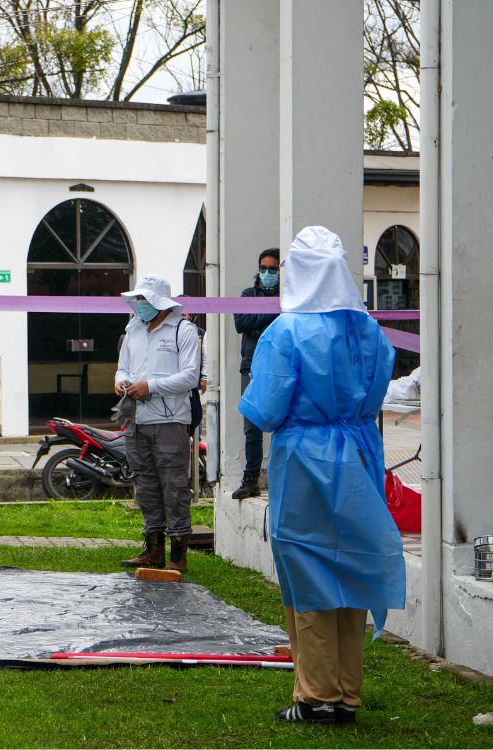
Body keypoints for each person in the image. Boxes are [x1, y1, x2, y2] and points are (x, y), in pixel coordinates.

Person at [239, 226, 404, 725]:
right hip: (358, 452)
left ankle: (314, 695)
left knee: (307, 569)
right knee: (350, 565)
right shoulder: (371, 330)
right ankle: (347, 695)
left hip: (306, 458)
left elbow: (264, 409)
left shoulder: (286, 332)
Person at [113, 275, 201, 573]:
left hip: (171, 420)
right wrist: (121, 382)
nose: (139, 304)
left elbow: (190, 376)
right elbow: (123, 367)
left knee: (174, 486)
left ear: (159, 302)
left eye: (143, 299)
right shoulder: (132, 329)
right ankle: (153, 549)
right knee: (146, 484)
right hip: (136, 419)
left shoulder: (183, 330)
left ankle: (178, 554)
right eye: (137, 299)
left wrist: (150, 386)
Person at [232, 248, 281, 499]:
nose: (267, 273)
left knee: (283, 424)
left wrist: (258, 317)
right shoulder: (248, 294)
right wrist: (274, 311)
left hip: (280, 367)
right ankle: (251, 479)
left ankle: (282, 479)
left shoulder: (289, 296)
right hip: (251, 367)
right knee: (251, 426)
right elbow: (241, 323)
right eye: (263, 268)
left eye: (273, 269)